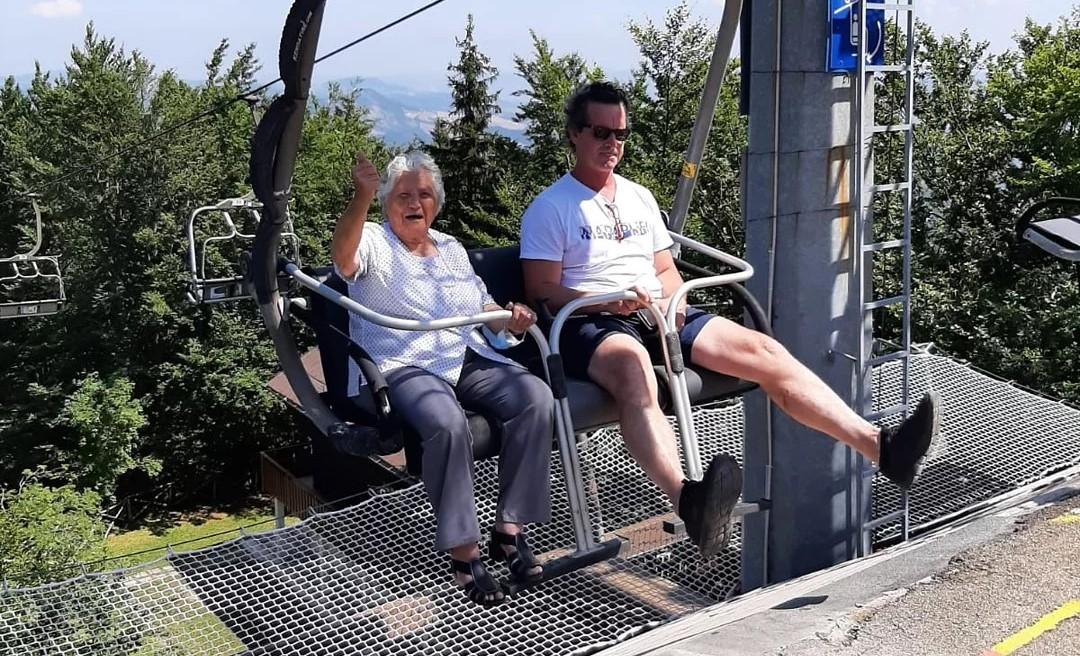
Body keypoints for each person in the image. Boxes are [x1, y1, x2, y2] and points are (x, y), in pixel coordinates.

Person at [520, 81, 940, 558]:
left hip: (657, 311)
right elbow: (543, 291)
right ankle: (687, 499)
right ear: (574, 134)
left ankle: (881, 448)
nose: (611, 144)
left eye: (620, 134)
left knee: (765, 352)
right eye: (600, 133)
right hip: (591, 320)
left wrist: (675, 302)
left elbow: (664, 269)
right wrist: (607, 302)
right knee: (635, 373)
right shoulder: (550, 208)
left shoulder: (638, 198)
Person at [332, 150, 554, 606]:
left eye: (424, 194)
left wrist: (510, 319)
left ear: (437, 202)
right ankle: (463, 552)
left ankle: (509, 529)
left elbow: (482, 309)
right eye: (403, 195)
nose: (415, 204)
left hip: (460, 353)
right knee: (447, 422)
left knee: (535, 396)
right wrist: (361, 197)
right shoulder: (373, 239)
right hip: (401, 360)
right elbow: (344, 260)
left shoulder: (451, 249)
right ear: (386, 201)